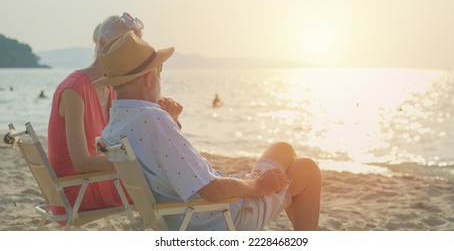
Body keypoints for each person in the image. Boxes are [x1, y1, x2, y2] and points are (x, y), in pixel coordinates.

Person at [97, 31, 322, 231]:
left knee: (282, 148)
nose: (159, 74)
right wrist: (258, 185)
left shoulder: (115, 125)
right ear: (147, 77)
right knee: (306, 168)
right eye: (159, 68)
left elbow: (163, 166)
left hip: (180, 217)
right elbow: (211, 191)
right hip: (219, 217)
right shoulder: (152, 119)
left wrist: (172, 123)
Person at [47, 13, 182, 218]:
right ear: (103, 43)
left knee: (170, 177)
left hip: (96, 182)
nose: (129, 54)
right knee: (168, 183)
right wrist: (141, 162)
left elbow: (132, 137)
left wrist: (167, 119)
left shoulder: (111, 89)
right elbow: (81, 163)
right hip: (76, 190)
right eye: (123, 44)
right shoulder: (73, 90)